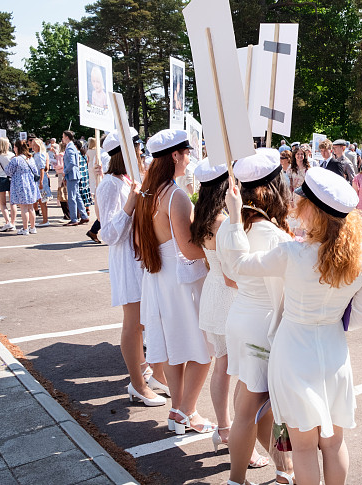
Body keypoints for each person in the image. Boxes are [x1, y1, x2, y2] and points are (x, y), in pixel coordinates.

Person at [224, 166, 362, 485]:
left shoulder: (292, 252)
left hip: (293, 354)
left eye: (302, 199)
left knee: (305, 448)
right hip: (334, 354)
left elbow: (238, 266)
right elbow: (360, 317)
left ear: (313, 210)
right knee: (335, 442)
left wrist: (236, 217)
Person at [215, 149, 295, 485]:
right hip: (263, 327)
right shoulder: (276, 237)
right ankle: (237, 480)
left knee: (261, 406)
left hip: (239, 318)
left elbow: (232, 276)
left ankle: (283, 468)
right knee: (250, 410)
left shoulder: (229, 229)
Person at [133, 129, 215, 435]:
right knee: (202, 350)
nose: (190, 157)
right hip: (177, 280)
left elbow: (141, 244)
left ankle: (180, 411)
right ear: (174, 156)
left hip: (157, 277)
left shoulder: (147, 193)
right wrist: (217, 250)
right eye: (187, 152)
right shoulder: (175, 195)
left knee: (173, 349)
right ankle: (185, 411)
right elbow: (188, 247)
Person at [189, 159, 270, 467]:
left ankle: (225, 429)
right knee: (237, 373)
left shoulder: (202, 215)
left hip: (212, 294)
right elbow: (231, 275)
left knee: (222, 366)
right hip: (227, 295)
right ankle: (237, 437)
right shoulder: (223, 220)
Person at [97, 130, 167, 407]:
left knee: (143, 321)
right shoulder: (111, 184)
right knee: (133, 323)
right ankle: (138, 385)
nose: (139, 152)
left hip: (139, 258)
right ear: (120, 154)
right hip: (125, 260)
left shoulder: (129, 179)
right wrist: (130, 203)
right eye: (134, 147)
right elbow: (108, 234)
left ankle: (149, 371)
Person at [5, 140, 40, 235]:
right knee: (31, 207)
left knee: (24, 208)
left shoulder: (16, 159)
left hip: (21, 184)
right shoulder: (30, 158)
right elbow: (36, 171)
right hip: (31, 183)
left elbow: (8, 171)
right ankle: (32, 227)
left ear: (17, 148)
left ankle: (25, 229)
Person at [0, 138, 17, 231]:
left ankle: (7, 221)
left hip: (0, 178)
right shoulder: (11, 155)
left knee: (2, 203)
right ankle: (13, 222)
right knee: (12, 202)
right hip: (11, 178)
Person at [62, 130, 88, 226]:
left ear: (67, 137)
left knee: (72, 197)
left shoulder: (70, 147)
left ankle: (74, 219)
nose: (62, 138)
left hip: (72, 175)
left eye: (63, 136)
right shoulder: (71, 147)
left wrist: (65, 172)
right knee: (76, 196)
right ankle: (84, 216)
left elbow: (72, 162)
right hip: (73, 175)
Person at [31, 139, 51, 227]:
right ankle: (44, 219)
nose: (32, 146)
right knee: (42, 201)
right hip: (40, 180)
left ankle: (45, 219)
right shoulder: (37, 155)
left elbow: (42, 169)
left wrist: (41, 182)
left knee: (42, 201)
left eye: (34, 145)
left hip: (40, 180)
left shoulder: (39, 155)